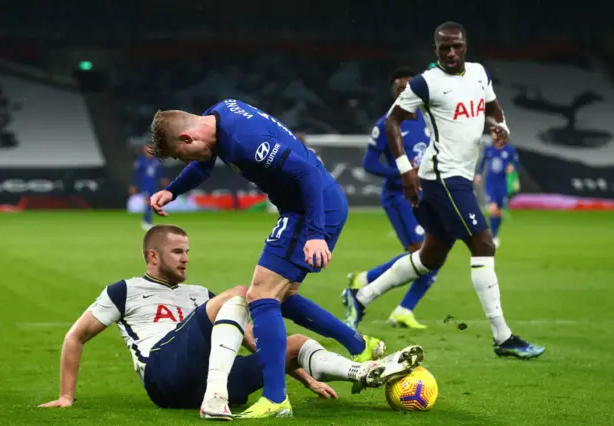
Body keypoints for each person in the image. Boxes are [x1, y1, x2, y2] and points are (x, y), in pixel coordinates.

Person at [145, 100, 387, 418]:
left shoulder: (247, 142)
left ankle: (275, 398)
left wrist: (315, 233)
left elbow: (306, 173)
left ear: (188, 138)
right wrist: (174, 191)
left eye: (179, 155)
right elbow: (203, 163)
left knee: (260, 296)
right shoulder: (221, 114)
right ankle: (360, 346)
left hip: (310, 208)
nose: (182, 160)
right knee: (283, 296)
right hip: (308, 206)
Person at [37, 224, 423, 421]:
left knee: (292, 342)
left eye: (187, 251)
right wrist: (68, 396)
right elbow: (76, 336)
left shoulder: (200, 293)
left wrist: (301, 374)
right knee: (248, 291)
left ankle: (363, 370)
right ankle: (356, 341)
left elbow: (250, 339)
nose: (185, 258)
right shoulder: (125, 290)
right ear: (152, 256)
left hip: (204, 378)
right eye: (177, 252)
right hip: (162, 374)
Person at [343, 21, 545, 359]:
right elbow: (392, 120)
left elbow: (493, 108)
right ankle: (503, 337)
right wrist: (406, 169)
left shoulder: (479, 74)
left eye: (456, 46)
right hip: (442, 178)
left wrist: (501, 126)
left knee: (430, 256)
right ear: (435, 50)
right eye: (443, 48)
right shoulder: (427, 82)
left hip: (458, 178)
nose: (451, 53)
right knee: (482, 243)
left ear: (466, 45)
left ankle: (360, 297)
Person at [343, 67, 439, 330]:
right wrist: (402, 174)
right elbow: (369, 163)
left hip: (428, 194)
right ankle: (369, 288)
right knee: (422, 253)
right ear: (393, 93)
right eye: (399, 89)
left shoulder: (429, 118)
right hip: (400, 196)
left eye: (408, 88)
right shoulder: (385, 123)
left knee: (435, 253)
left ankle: (395, 304)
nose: (404, 93)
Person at [474, 141, 520, 248]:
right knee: (493, 208)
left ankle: (495, 234)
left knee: (499, 211)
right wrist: (479, 174)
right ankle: (492, 236)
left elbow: (516, 163)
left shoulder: (510, 149)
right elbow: (482, 162)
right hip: (490, 182)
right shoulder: (489, 148)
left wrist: (513, 168)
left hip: (502, 183)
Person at [129, 147, 169, 230]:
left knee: (152, 203)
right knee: (149, 202)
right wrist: (133, 185)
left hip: (153, 185)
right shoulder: (140, 161)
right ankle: (148, 221)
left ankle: (145, 220)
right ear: (144, 150)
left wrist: (163, 180)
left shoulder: (156, 161)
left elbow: (160, 173)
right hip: (144, 185)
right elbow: (136, 174)